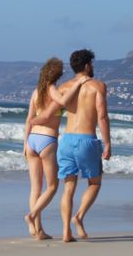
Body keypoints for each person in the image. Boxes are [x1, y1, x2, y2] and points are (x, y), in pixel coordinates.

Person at [22, 57, 89, 240]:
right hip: (47, 140)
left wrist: (25, 143)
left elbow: (29, 119)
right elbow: (64, 100)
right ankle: (32, 215)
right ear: (57, 75)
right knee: (52, 186)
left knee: (35, 187)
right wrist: (78, 83)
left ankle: (38, 230)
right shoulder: (52, 89)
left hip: (32, 139)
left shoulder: (36, 92)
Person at [56, 49, 112, 242]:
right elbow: (102, 116)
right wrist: (107, 144)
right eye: (92, 64)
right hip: (86, 140)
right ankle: (78, 216)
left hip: (66, 140)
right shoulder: (97, 86)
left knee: (68, 186)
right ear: (87, 65)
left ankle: (65, 232)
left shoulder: (64, 87)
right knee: (95, 182)